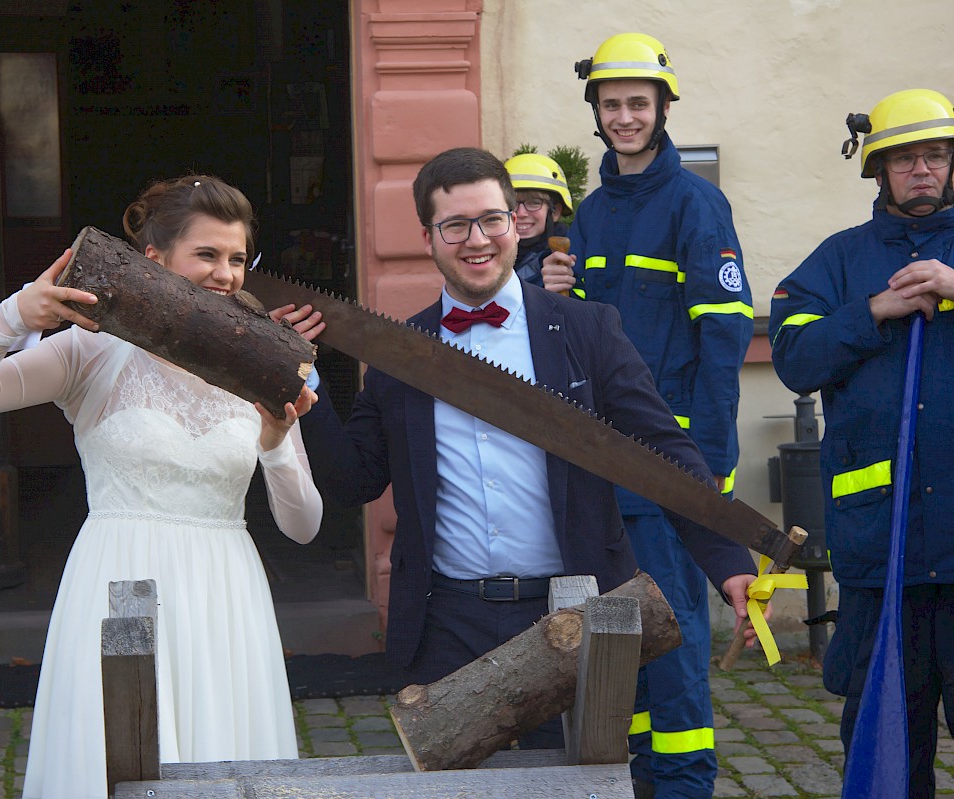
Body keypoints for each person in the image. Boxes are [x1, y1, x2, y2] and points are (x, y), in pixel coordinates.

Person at [277, 146, 759, 753]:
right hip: (444, 622)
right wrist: (304, 382)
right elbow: (354, 482)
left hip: (570, 612)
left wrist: (730, 561)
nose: (476, 239)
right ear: (428, 236)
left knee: (573, 784)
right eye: (454, 225)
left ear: (515, 222)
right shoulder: (400, 355)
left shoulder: (589, 330)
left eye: (491, 219)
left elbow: (662, 449)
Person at [0, 174, 322, 798]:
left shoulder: (256, 362)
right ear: (154, 259)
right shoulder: (90, 353)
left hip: (226, 591)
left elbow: (303, 527)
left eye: (237, 259)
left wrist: (276, 446)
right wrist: (14, 315)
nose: (225, 273)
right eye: (207, 254)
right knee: (116, 753)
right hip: (119, 581)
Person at [538, 33, 754, 798]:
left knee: (676, 639)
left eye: (638, 102)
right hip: (602, 466)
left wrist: (710, 468)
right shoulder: (592, 215)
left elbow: (724, 336)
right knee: (617, 639)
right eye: (611, 103)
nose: (624, 116)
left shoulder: (696, 203)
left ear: (663, 108)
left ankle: (686, 782)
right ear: (595, 113)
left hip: (666, 465)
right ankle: (629, 781)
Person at [769, 88, 954, 799]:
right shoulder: (839, 261)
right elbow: (793, 357)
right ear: (877, 170)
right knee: (885, 751)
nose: (921, 170)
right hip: (884, 556)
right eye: (903, 157)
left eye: (934, 154)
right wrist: (874, 310)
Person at [502, 152, 573, 289]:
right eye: (512, 204)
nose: (521, 213)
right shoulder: (488, 256)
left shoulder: (569, 257)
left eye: (534, 202)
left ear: (555, 211)